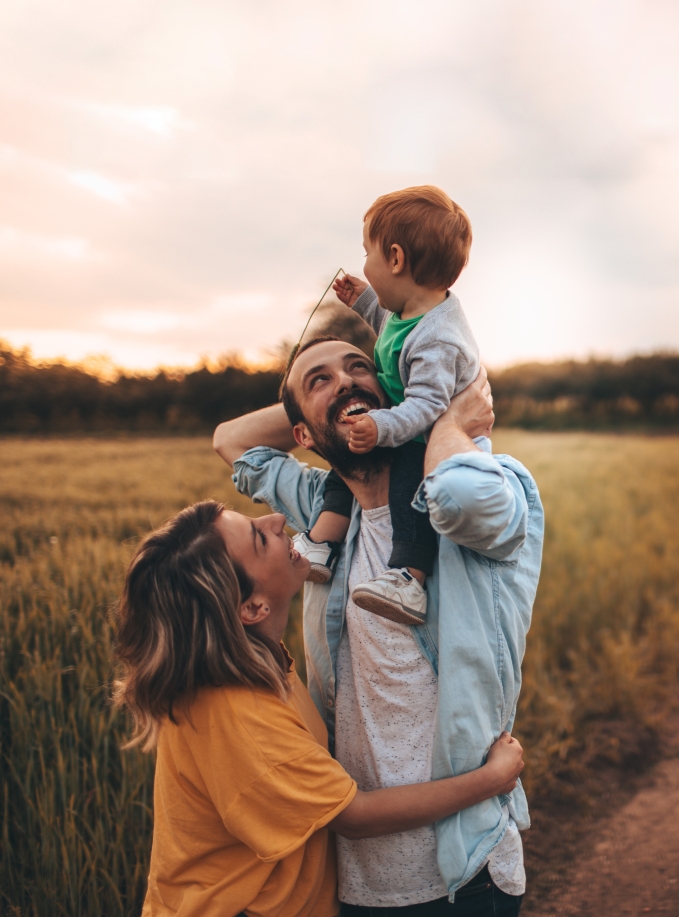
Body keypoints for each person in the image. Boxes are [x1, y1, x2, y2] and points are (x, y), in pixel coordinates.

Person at [212, 351, 544, 914]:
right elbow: (231, 440)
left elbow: (459, 498)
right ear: (300, 434)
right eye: (322, 379)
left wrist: (440, 418)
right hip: (355, 879)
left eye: (360, 367)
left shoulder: (491, 486)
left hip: (464, 871)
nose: (346, 381)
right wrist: (328, 408)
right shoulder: (326, 514)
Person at [112, 499, 524, 917]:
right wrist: (491, 779)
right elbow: (355, 816)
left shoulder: (255, 664)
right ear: (252, 608)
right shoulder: (238, 714)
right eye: (259, 537)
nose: (276, 520)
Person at [294, 185, 480, 629]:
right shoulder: (409, 312)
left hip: (431, 439)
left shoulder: (439, 338)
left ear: (395, 259)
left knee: (408, 496)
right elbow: (389, 326)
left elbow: (429, 404)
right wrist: (362, 299)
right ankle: (322, 543)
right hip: (403, 423)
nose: (364, 263)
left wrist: (381, 425)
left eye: (367, 253)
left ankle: (408, 579)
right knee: (346, 466)